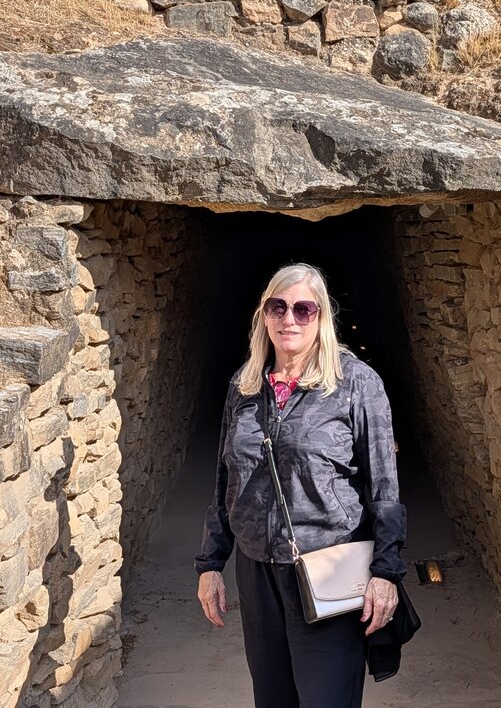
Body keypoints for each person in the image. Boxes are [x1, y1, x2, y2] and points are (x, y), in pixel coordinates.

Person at [195, 262, 407, 708]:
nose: (289, 319)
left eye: (303, 309)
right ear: (264, 315)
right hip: (257, 572)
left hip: (328, 567)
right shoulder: (245, 385)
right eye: (278, 307)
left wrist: (385, 573)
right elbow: (224, 480)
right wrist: (211, 564)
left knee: (326, 698)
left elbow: (385, 489)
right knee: (272, 698)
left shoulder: (355, 385)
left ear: (321, 318)